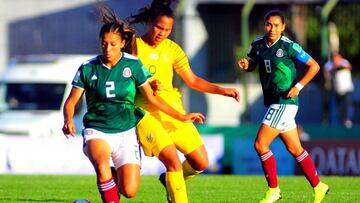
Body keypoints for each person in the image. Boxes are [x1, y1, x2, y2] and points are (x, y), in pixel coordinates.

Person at [62, 5, 204, 203]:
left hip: (126, 132)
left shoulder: (133, 65)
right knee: (102, 164)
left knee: (129, 191)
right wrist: (68, 119)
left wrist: (181, 116)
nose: (108, 48)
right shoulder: (87, 68)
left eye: (113, 44)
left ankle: (94, 195)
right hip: (98, 129)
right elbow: (71, 101)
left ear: (122, 43)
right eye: (104, 43)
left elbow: (152, 97)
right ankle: (107, 179)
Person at [129, 0, 240, 202]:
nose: (162, 33)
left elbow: (192, 80)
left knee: (200, 162)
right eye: (159, 27)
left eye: (168, 29)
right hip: (145, 113)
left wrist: (222, 91)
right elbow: (123, 78)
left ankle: (169, 180)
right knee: (172, 160)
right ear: (150, 22)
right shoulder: (133, 47)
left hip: (173, 110)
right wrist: (142, 87)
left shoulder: (172, 49)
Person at [238, 10, 329, 203]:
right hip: (274, 101)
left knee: (260, 144)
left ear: (283, 27)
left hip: (284, 102)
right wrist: (247, 65)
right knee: (295, 149)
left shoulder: (289, 46)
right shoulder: (257, 44)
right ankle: (319, 186)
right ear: (265, 25)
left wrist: (298, 86)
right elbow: (254, 64)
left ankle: (274, 190)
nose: (272, 29)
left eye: (277, 25)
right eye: (269, 24)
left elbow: (314, 66)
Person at [324, 52, 354, 128]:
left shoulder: (344, 62)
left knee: (348, 104)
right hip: (336, 90)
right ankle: (338, 121)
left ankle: (348, 120)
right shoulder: (329, 64)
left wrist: (338, 66)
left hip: (347, 88)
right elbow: (326, 73)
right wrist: (334, 67)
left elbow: (349, 67)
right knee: (338, 107)